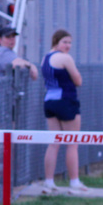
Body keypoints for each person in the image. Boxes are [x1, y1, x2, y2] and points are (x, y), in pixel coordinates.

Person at [40, 29, 87, 194]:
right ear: (56, 42)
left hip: (49, 101)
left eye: (69, 42)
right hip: (66, 100)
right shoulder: (65, 58)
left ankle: (49, 181)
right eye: (65, 42)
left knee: (54, 142)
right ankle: (74, 182)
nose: (68, 46)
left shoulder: (45, 58)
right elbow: (78, 80)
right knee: (72, 142)